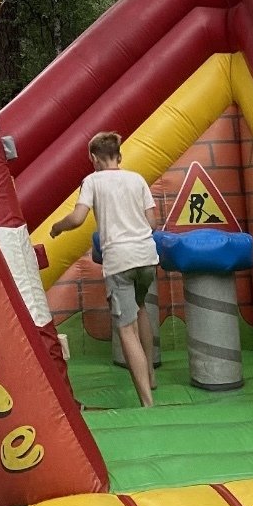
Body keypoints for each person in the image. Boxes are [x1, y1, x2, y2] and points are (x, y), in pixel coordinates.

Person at [50, 131, 159, 407]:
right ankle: (150, 374)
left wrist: (57, 227)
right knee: (141, 307)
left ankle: (147, 402)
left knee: (126, 329)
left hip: (120, 261)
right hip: (147, 256)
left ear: (94, 158)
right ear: (119, 156)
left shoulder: (93, 181)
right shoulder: (137, 179)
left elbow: (78, 218)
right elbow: (152, 223)